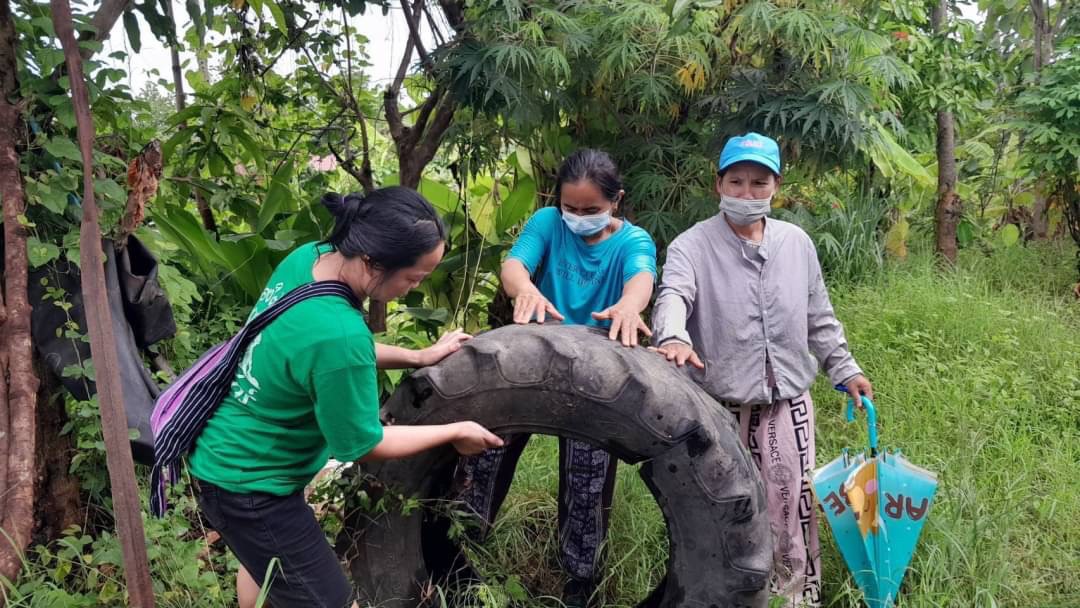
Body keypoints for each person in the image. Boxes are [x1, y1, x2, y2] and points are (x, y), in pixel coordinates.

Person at [188, 186, 504, 608]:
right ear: (373, 261)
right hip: (251, 486)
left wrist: (418, 355)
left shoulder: (309, 259)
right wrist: (454, 431)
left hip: (225, 455)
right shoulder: (341, 335)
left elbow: (319, 352)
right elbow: (363, 444)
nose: (413, 289)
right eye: (414, 278)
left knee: (264, 565)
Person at [650, 132, 873, 607]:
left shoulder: (796, 243)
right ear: (718, 185)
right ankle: (724, 597)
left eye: (758, 183)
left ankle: (793, 597)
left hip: (786, 405)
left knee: (791, 505)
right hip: (719, 406)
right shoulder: (693, 246)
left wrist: (845, 369)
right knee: (719, 509)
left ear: (776, 186)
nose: (747, 194)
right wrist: (672, 335)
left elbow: (820, 316)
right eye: (737, 182)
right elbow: (673, 295)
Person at [456, 149, 657, 606]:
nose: (579, 217)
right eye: (572, 208)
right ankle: (461, 548)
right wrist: (525, 287)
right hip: (535, 356)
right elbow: (515, 264)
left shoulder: (633, 242)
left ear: (616, 201)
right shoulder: (548, 223)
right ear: (558, 201)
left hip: (596, 370)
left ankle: (579, 581)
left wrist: (630, 305)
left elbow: (640, 278)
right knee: (488, 448)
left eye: (592, 210)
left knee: (588, 474)